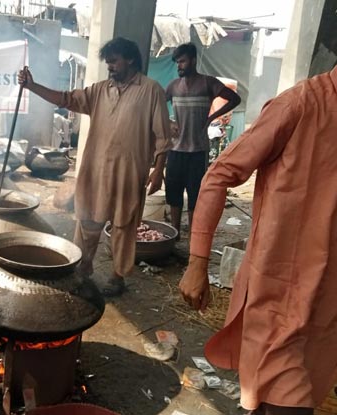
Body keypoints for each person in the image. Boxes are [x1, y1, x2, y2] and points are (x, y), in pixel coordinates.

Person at [179, 66, 337, 415]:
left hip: (329, 305)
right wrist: (197, 262)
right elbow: (219, 174)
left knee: (284, 394)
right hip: (281, 294)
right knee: (288, 398)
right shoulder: (300, 105)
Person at [18, 37, 171, 296]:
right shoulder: (99, 91)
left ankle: (117, 277)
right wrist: (32, 87)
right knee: (88, 220)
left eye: (114, 61)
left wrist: (158, 170)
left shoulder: (150, 90)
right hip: (96, 168)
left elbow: (163, 136)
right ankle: (82, 269)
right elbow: (66, 99)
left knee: (123, 225)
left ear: (130, 59)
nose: (109, 66)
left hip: (129, 172)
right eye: (107, 62)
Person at [165, 43, 240, 238]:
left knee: (195, 195)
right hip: (175, 150)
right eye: (177, 62)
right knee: (173, 194)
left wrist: (212, 116)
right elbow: (156, 106)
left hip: (198, 150)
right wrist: (168, 121)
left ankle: (193, 236)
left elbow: (235, 99)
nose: (179, 66)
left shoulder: (208, 83)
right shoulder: (173, 86)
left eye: (182, 61)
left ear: (193, 60)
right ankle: (174, 233)